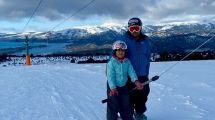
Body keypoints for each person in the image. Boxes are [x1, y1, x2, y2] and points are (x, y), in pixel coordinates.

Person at [106, 40, 143, 120]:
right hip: (112, 87)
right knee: (113, 105)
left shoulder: (127, 61)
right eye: (118, 50)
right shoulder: (111, 63)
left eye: (122, 50)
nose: (120, 52)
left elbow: (131, 72)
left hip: (123, 86)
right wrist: (113, 88)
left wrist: (136, 81)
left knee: (126, 104)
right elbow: (110, 76)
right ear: (115, 51)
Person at [123, 17, 151, 120]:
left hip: (143, 75)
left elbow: (147, 57)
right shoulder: (123, 40)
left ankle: (139, 113)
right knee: (129, 97)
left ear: (140, 28)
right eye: (131, 29)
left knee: (143, 96)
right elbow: (115, 56)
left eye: (136, 28)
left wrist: (146, 72)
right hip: (129, 76)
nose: (134, 31)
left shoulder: (146, 41)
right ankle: (128, 115)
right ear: (128, 29)